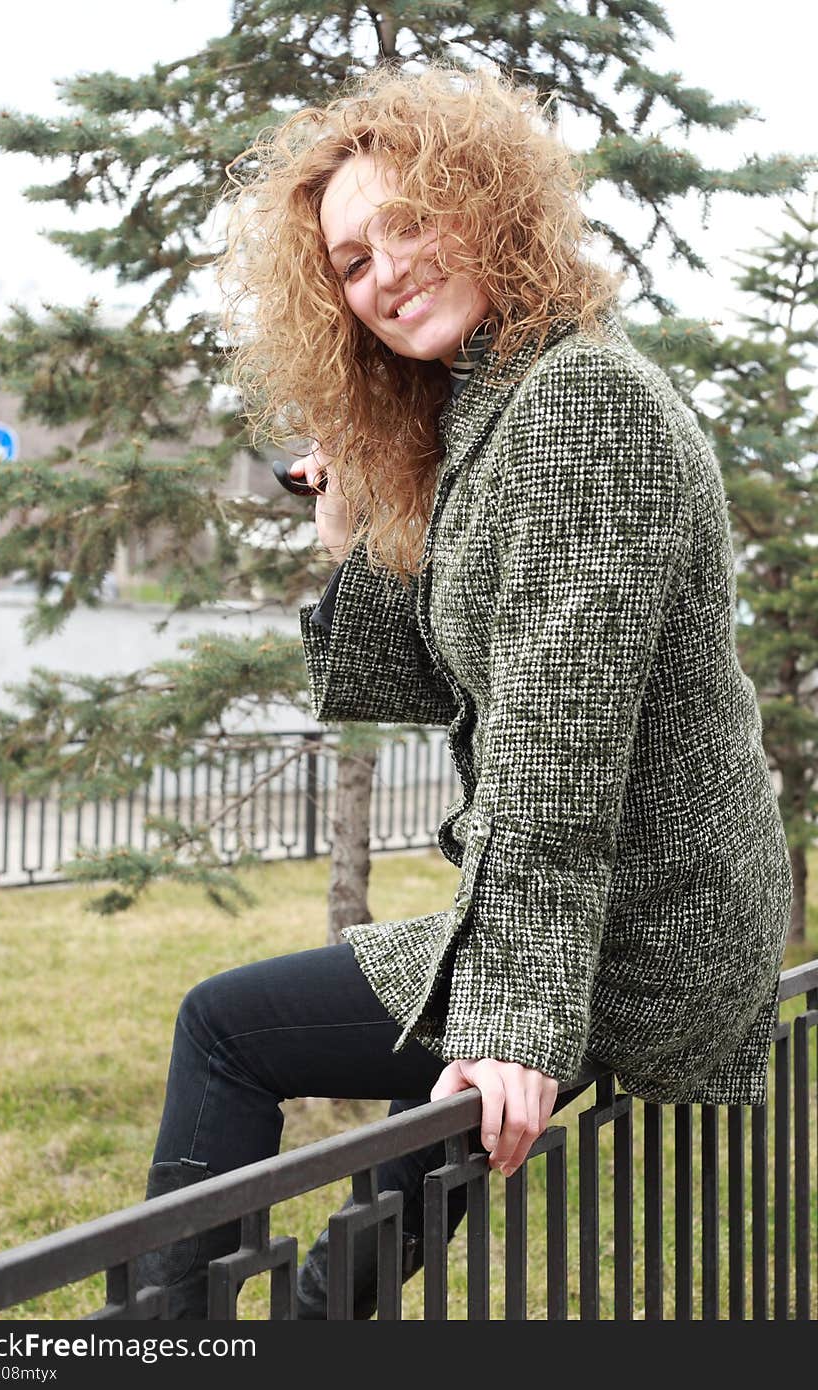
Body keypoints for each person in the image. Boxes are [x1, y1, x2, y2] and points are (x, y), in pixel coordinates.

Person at [136, 60, 793, 1320]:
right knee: (411, 1126)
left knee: (225, 1027)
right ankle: (309, 1327)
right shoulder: (498, 410)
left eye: (410, 221)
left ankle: (168, 1341)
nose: (385, 271)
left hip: (637, 923)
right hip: (609, 905)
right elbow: (401, 675)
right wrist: (368, 506)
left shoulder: (578, 405)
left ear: (490, 210)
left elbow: (555, 744)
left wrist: (517, 1023)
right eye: (351, 260)